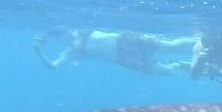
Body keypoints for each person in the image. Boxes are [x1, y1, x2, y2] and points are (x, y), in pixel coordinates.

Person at [33, 29, 196, 76]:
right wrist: (38, 51)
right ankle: (178, 65)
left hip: (125, 40)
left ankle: (200, 40)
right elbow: (53, 66)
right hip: (121, 57)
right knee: (164, 71)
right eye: (60, 35)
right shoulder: (72, 52)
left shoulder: (80, 32)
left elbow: (74, 38)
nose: (64, 36)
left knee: (170, 46)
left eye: (63, 32)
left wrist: (45, 36)